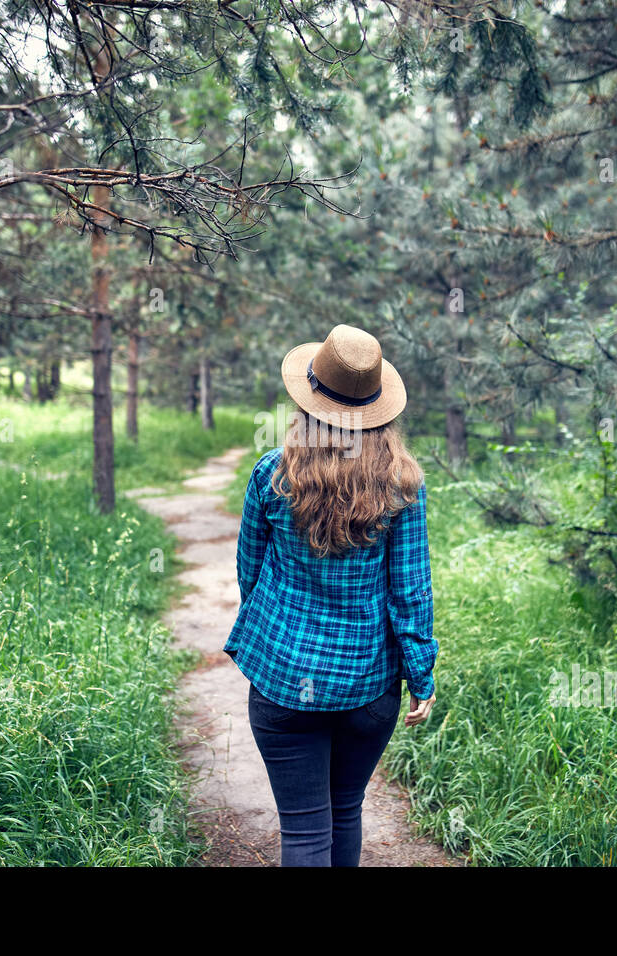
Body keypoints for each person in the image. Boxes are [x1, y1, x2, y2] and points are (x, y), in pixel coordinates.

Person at [223, 323, 438, 867]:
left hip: (284, 682)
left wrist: (274, 640)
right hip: (368, 689)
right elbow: (409, 592)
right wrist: (421, 674)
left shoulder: (273, 475)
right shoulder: (402, 485)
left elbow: (250, 574)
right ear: (378, 407)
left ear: (309, 402)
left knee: (303, 833)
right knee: (345, 810)